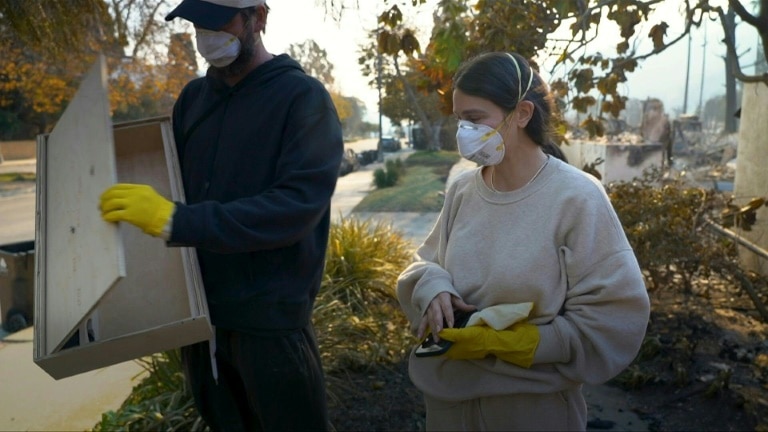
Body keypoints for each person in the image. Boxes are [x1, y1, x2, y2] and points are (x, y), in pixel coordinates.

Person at [99, 0, 344, 430]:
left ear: (260, 18)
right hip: (202, 325)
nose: (205, 35)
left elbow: (293, 209)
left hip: (271, 330)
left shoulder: (302, 99)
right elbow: (169, 186)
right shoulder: (193, 99)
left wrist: (178, 221)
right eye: (197, 24)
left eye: (218, 22)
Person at [396, 51, 650, 431]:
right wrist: (433, 288)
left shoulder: (577, 197)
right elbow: (426, 262)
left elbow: (616, 316)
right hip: (448, 405)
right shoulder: (464, 189)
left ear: (523, 114)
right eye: (459, 119)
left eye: (474, 119)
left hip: (531, 411)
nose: (463, 131)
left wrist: (526, 343)